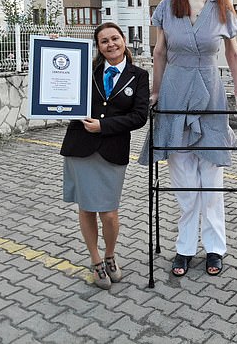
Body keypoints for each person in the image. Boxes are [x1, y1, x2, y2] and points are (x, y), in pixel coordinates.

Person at [139, 0, 237, 278]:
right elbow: (159, 53)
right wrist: (155, 94)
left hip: (210, 96)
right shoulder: (166, 7)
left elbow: (232, 54)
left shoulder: (223, 9)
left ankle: (215, 248)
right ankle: (185, 248)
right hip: (174, 93)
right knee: (184, 181)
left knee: (212, 180)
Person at [61, 22, 149, 289]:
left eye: (114, 38)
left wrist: (104, 126)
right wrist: (54, 46)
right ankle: (96, 260)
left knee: (109, 213)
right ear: (98, 46)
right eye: (104, 41)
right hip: (80, 147)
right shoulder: (88, 71)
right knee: (86, 208)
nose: (110, 44)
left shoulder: (139, 75)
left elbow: (139, 116)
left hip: (112, 150)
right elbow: (61, 80)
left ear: (124, 40)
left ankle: (110, 255)